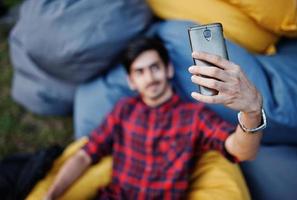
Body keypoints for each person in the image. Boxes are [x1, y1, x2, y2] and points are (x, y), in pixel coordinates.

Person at [45, 37, 265, 199]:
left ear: (168, 69)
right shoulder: (124, 109)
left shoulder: (193, 115)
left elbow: (239, 151)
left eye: (154, 68)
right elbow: (86, 155)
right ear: (131, 81)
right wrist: (50, 196)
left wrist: (252, 112)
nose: (149, 78)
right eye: (140, 72)